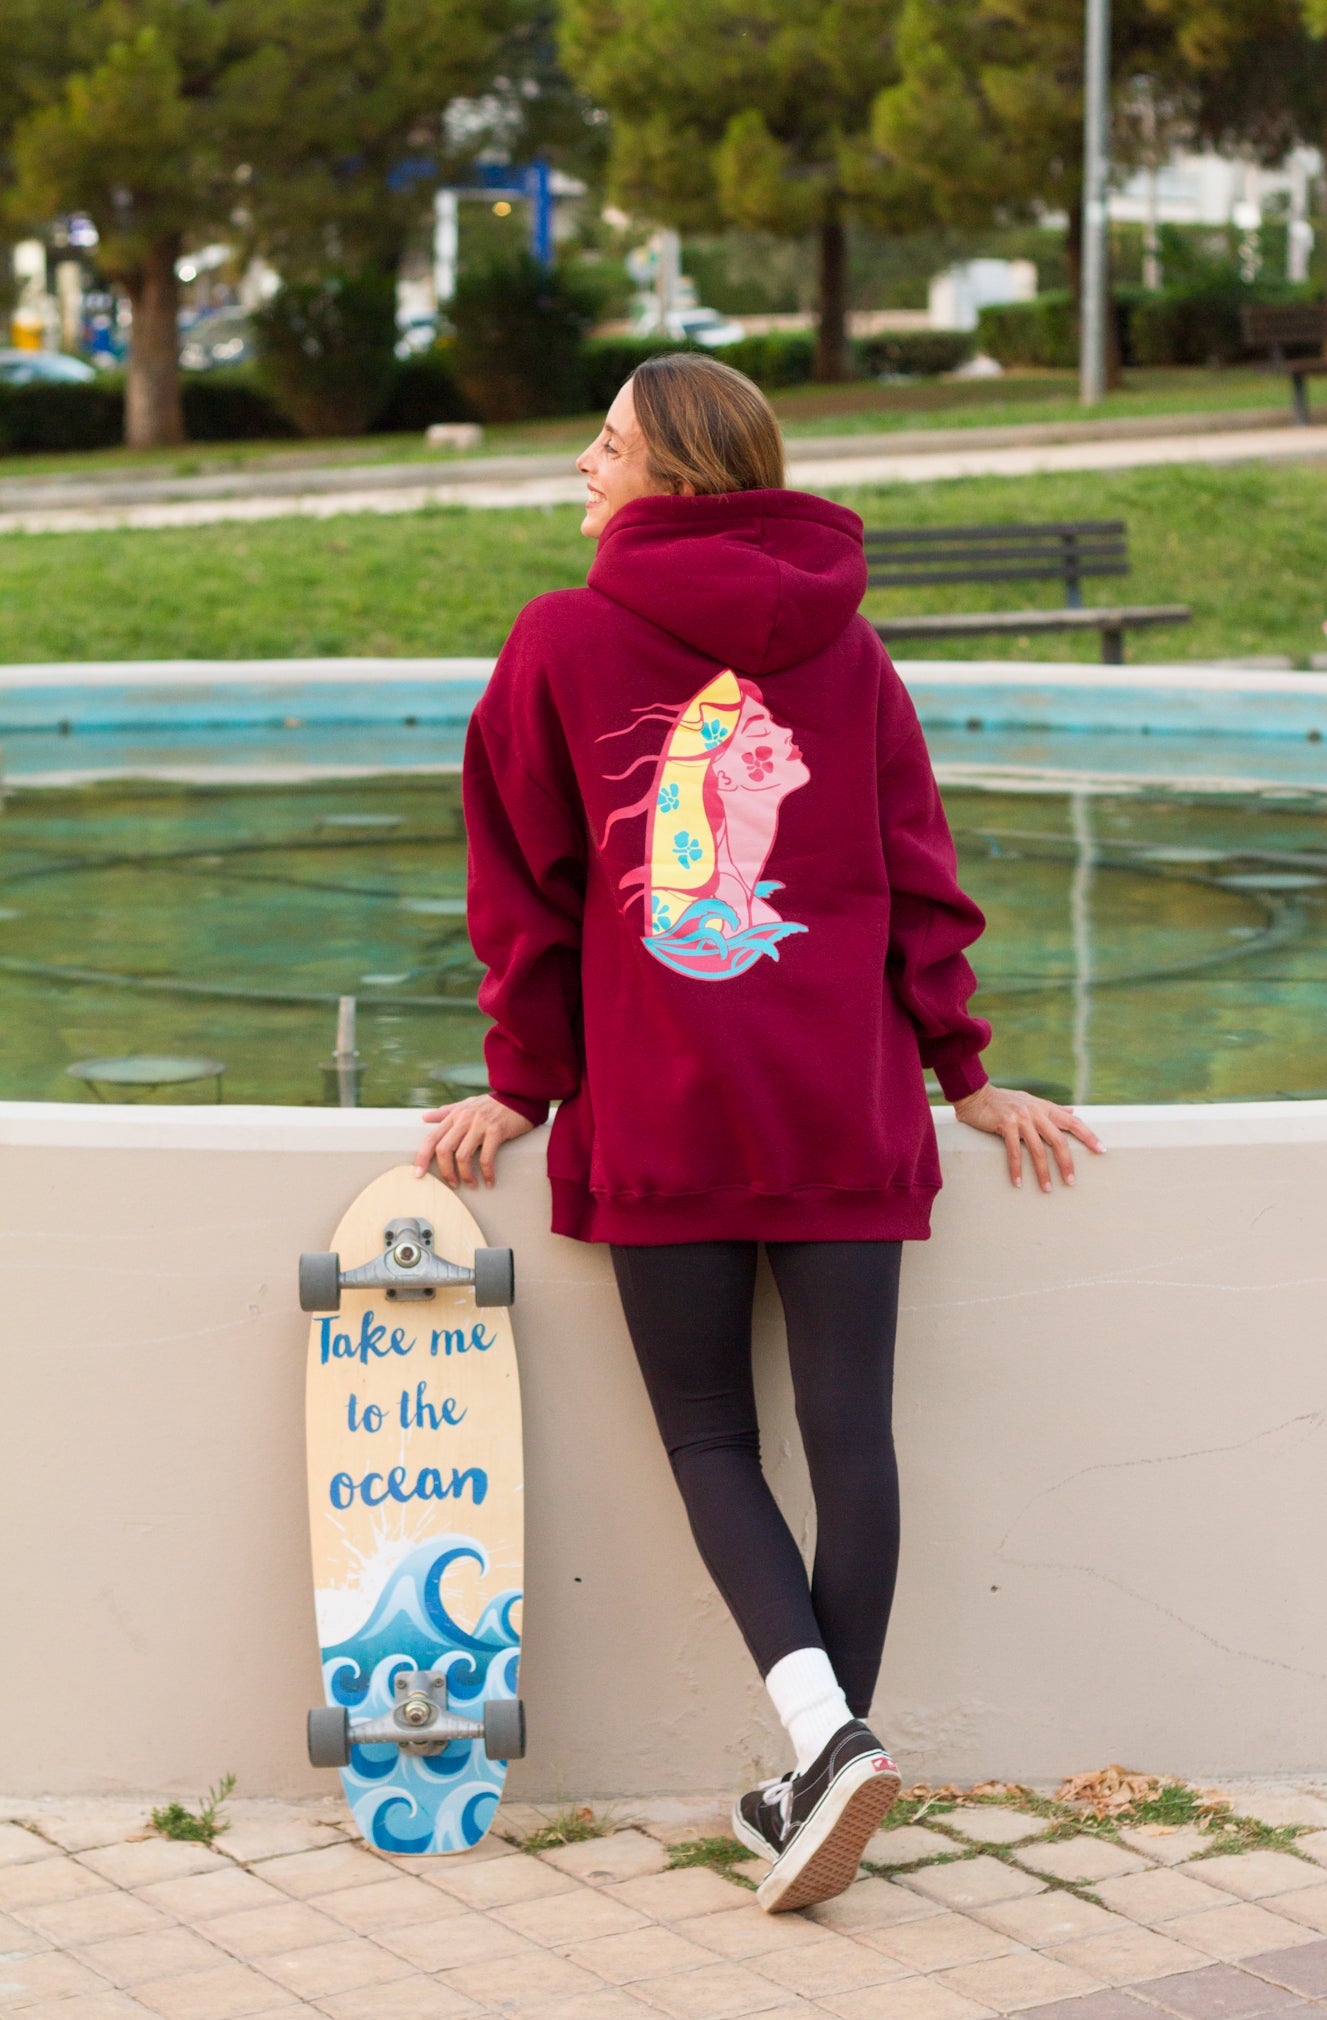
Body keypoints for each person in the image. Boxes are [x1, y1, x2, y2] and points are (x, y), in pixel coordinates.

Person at [414, 355, 1103, 1912]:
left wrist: (519, 1086)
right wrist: (957, 1065)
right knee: (852, 1437)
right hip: (843, 1099)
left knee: (713, 1438)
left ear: (673, 475)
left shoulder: (560, 639)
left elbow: (525, 891)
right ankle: (820, 1773)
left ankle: (819, 1746)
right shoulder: (848, 651)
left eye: (604, 445)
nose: (580, 469)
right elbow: (916, 868)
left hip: (666, 1105)